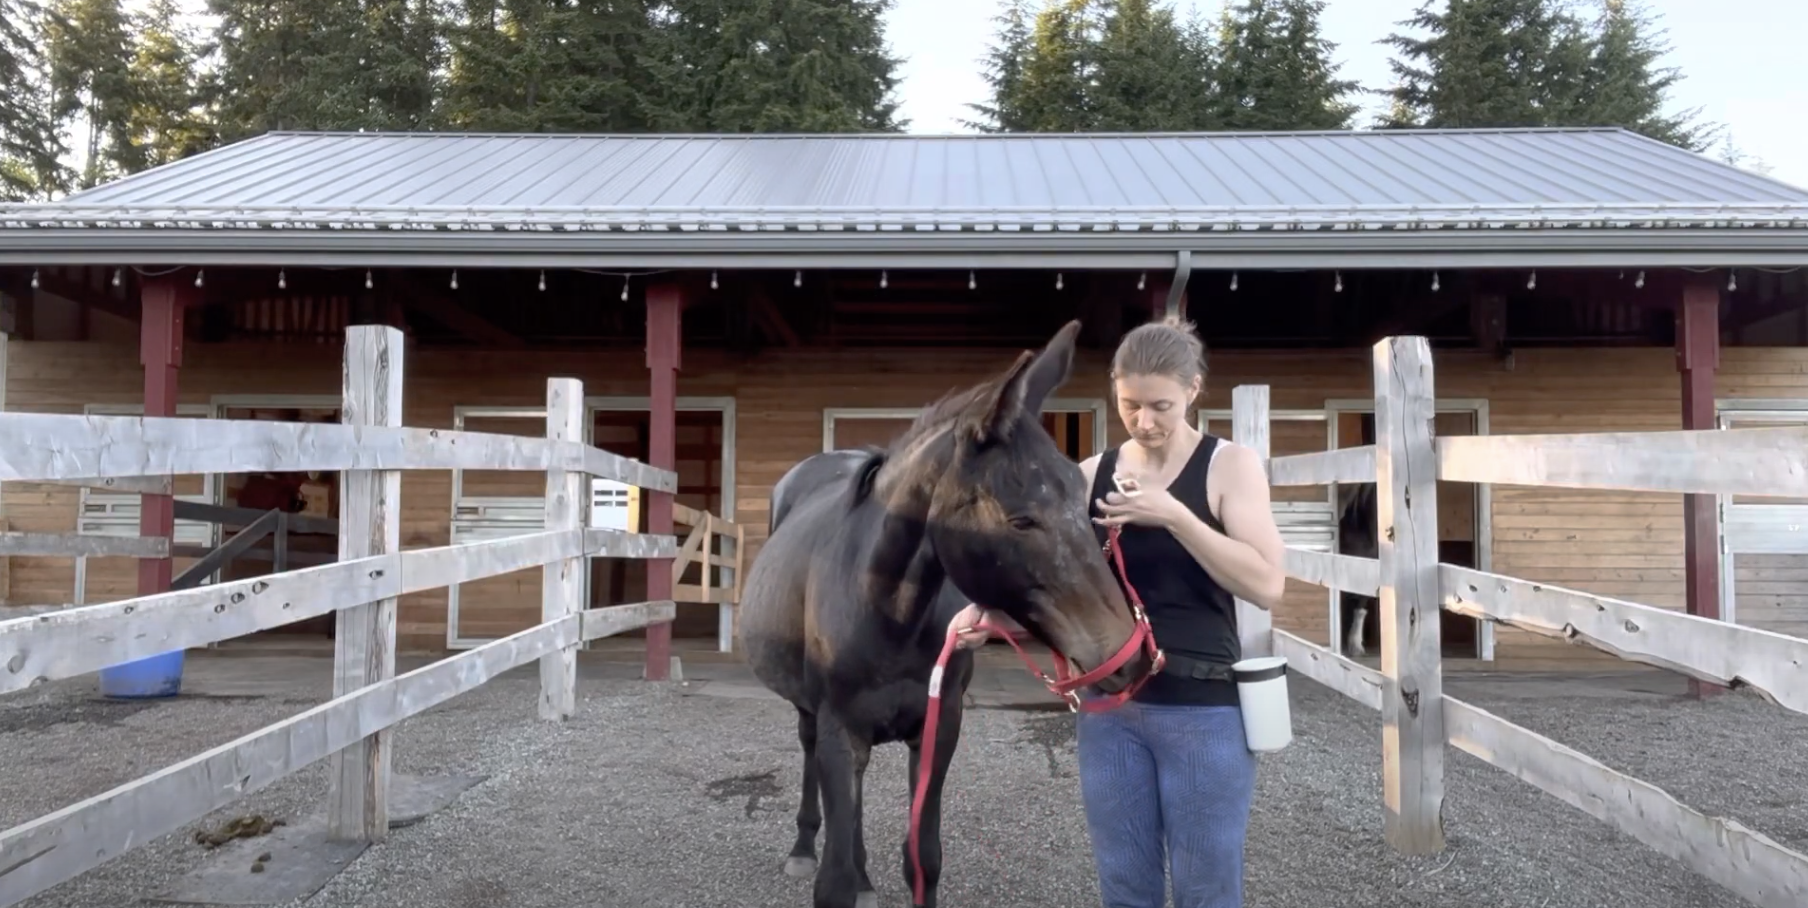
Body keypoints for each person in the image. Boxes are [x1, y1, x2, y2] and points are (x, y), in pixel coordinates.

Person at [950, 314, 1287, 908]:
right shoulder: (1090, 476)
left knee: (1207, 887)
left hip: (1204, 709)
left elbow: (1266, 584)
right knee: (1124, 885)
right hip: (1109, 710)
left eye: (1160, 405)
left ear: (1193, 389)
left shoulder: (1227, 465)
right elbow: (1051, 575)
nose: (1144, 421)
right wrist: (986, 612)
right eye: (1130, 404)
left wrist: (1176, 517)